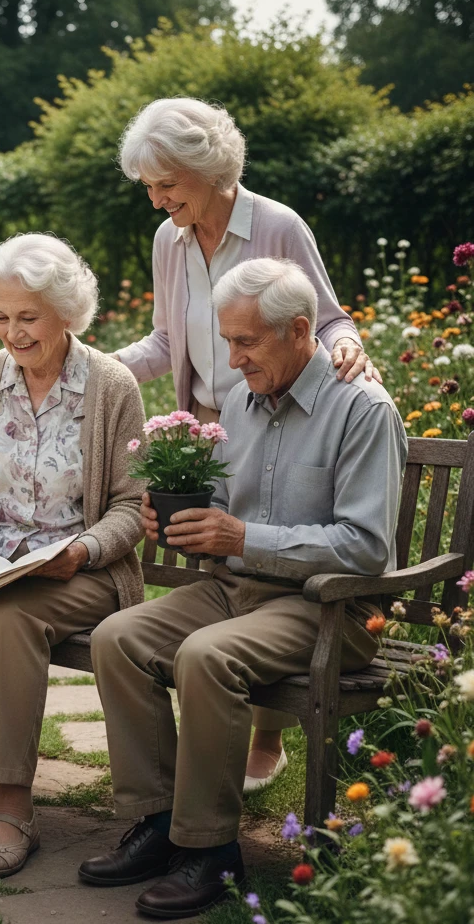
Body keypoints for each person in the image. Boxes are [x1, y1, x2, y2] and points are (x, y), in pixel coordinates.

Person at [81, 258, 405, 918]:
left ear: (299, 330)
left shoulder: (364, 409)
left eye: (246, 342)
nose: (232, 358)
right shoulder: (242, 400)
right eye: (227, 340)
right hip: (236, 590)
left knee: (207, 656)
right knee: (118, 636)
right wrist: (175, 518)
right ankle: (158, 821)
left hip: (328, 608)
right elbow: (224, 502)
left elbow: (367, 548)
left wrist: (243, 539)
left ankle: (210, 850)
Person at [112, 97, 381, 790]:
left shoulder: (276, 226)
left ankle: (258, 744)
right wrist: (91, 367)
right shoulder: (168, 241)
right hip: (218, 414)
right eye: (148, 186)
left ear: (207, 170)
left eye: (166, 184)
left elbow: (319, 317)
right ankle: (173, 800)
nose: (156, 200)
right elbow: (167, 341)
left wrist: (346, 346)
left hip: (287, 399)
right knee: (226, 570)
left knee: (251, 573)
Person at [0, 233, 146, 879]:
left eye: (28, 317)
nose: (13, 333)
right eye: (1, 317)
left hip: (81, 571)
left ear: (66, 312)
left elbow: (132, 506)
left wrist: (86, 548)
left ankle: (15, 809)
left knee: (14, 621)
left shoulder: (111, 386)